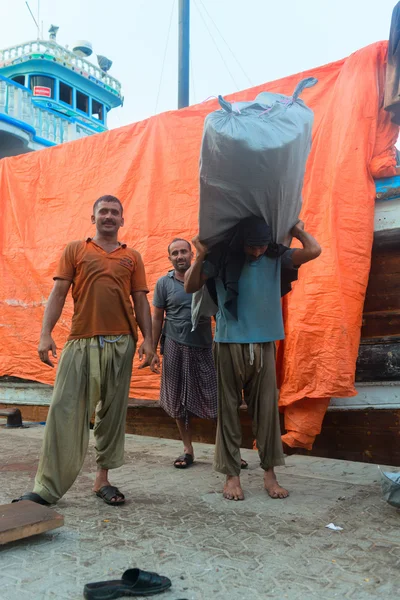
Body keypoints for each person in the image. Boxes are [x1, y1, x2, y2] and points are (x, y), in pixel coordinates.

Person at [13, 195, 156, 507]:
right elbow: (59, 292)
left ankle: (102, 480)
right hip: (81, 340)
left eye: (114, 212)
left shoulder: (132, 256)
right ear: (93, 218)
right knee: (64, 411)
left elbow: (141, 301)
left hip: (121, 342)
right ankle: (47, 488)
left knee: (112, 414)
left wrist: (149, 340)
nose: (108, 216)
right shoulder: (76, 249)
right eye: (102, 211)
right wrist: (45, 334)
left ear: (122, 220)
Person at [184, 217, 321, 501]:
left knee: (267, 413)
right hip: (227, 343)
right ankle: (231, 476)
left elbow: (314, 250)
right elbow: (190, 285)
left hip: (264, 343)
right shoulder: (222, 259)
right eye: (251, 246)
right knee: (228, 412)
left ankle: (270, 474)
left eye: (261, 246)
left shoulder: (276, 257)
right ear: (241, 243)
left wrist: (296, 231)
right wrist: (201, 255)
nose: (257, 252)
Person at [151, 238, 217, 468]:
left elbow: (219, 311)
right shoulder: (163, 283)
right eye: (175, 253)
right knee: (178, 400)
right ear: (169, 257)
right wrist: (151, 348)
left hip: (205, 346)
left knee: (215, 398)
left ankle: (227, 450)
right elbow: (157, 317)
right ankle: (187, 449)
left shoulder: (207, 278)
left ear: (191, 254)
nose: (180, 256)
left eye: (183, 252)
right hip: (174, 346)